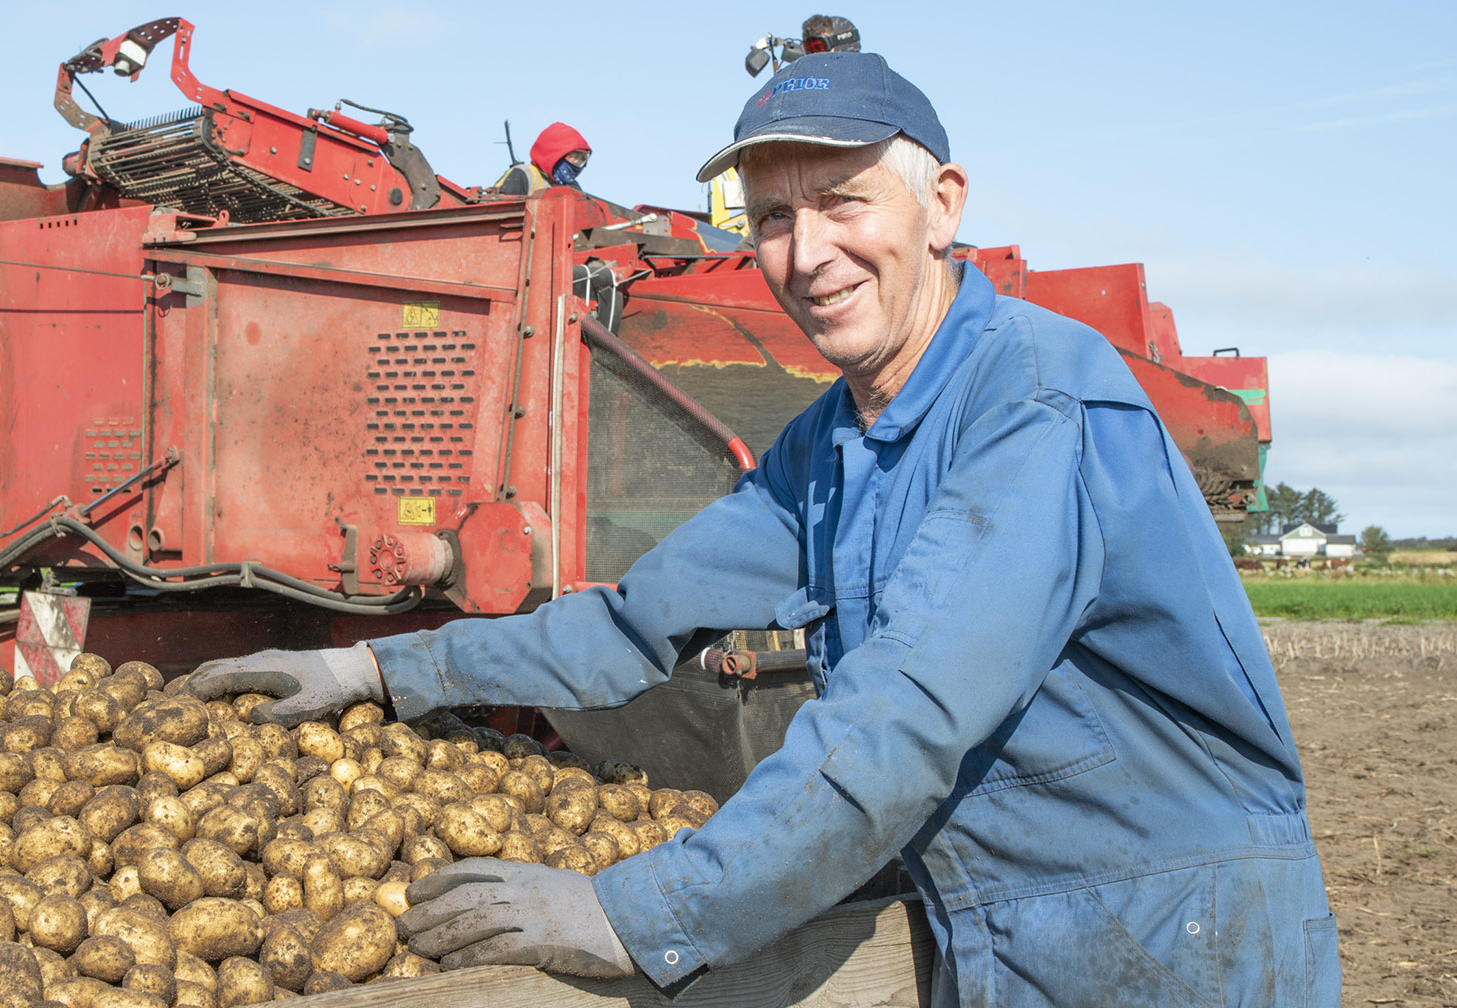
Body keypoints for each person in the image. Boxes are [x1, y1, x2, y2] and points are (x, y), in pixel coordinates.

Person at [189, 51, 1341, 1006]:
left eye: (844, 201)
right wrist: (377, 668)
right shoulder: (833, 443)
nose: (807, 252)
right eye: (775, 215)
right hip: (1003, 932)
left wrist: (632, 911)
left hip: (1176, 938)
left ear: (943, 206)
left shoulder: (1033, 404)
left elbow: (902, 721)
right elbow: (632, 627)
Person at [492, 122, 591, 195]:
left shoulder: (573, 189)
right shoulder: (523, 174)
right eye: (573, 156)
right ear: (555, 154)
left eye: (582, 160)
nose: (576, 163)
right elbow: (494, 207)